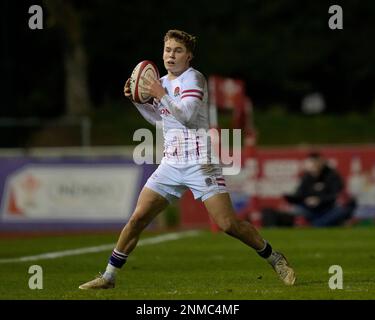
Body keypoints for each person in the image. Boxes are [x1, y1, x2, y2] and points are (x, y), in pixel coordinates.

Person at [78, 29, 295, 290]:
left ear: (188, 56)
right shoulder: (161, 82)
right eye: (168, 50)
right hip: (171, 163)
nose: (171, 55)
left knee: (228, 224)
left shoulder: (194, 79)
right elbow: (161, 119)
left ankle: (274, 258)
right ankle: (109, 276)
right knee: (137, 219)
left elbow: (187, 117)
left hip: (199, 161)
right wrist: (138, 102)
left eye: (178, 51)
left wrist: (160, 94)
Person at [284, 152, 356, 227]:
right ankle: (326, 223)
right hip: (311, 210)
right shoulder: (306, 177)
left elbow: (336, 195)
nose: (313, 165)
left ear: (321, 162)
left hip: (329, 209)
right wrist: (302, 200)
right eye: (311, 163)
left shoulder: (332, 175)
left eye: (315, 162)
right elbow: (300, 194)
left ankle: (314, 224)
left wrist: (320, 200)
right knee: (295, 209)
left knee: (343, 210)